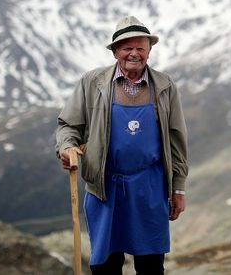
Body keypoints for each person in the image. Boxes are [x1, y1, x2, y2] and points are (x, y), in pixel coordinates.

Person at [56, 15, 188, 274]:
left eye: (141, 47)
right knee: (106, 265)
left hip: (150, 186)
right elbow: (69, 125)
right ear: (115, 51)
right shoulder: (93, 83)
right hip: (105, 187)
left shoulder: (164, 86)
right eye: (127, 47)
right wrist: (67, 146)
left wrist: (179, 189)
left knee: (151, 265)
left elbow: (176, 139)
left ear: (150, 51)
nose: (134, 54)